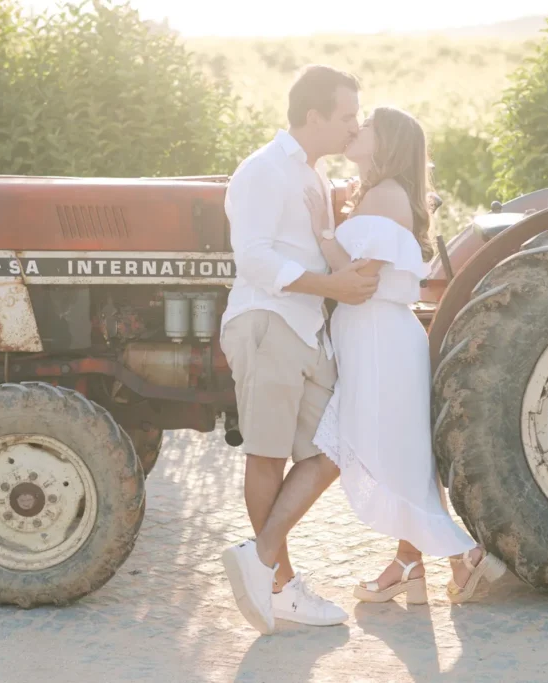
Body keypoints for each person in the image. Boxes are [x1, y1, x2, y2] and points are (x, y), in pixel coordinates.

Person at [307, 106, 507, 605]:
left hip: (379, 339)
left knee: (389, 454)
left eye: (368, 124)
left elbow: (357, 281)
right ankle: (408, 565)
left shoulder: (385, 195)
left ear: (388, 141)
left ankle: (465, 556)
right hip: (376, 337)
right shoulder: (382, 193)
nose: (357, 129)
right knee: (405, 454)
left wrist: (322, 231)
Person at [218, 64, 378, 634]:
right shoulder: (262, 170)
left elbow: (319, 249)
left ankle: (261, 560)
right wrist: (331, 287)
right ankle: (281, 586)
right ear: (313, 116)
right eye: (346, 116)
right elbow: (254, 258)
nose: (353, 126)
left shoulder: (311, 177)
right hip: (267, 322)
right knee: (267, 455)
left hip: (307, 328)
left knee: (334, 446)